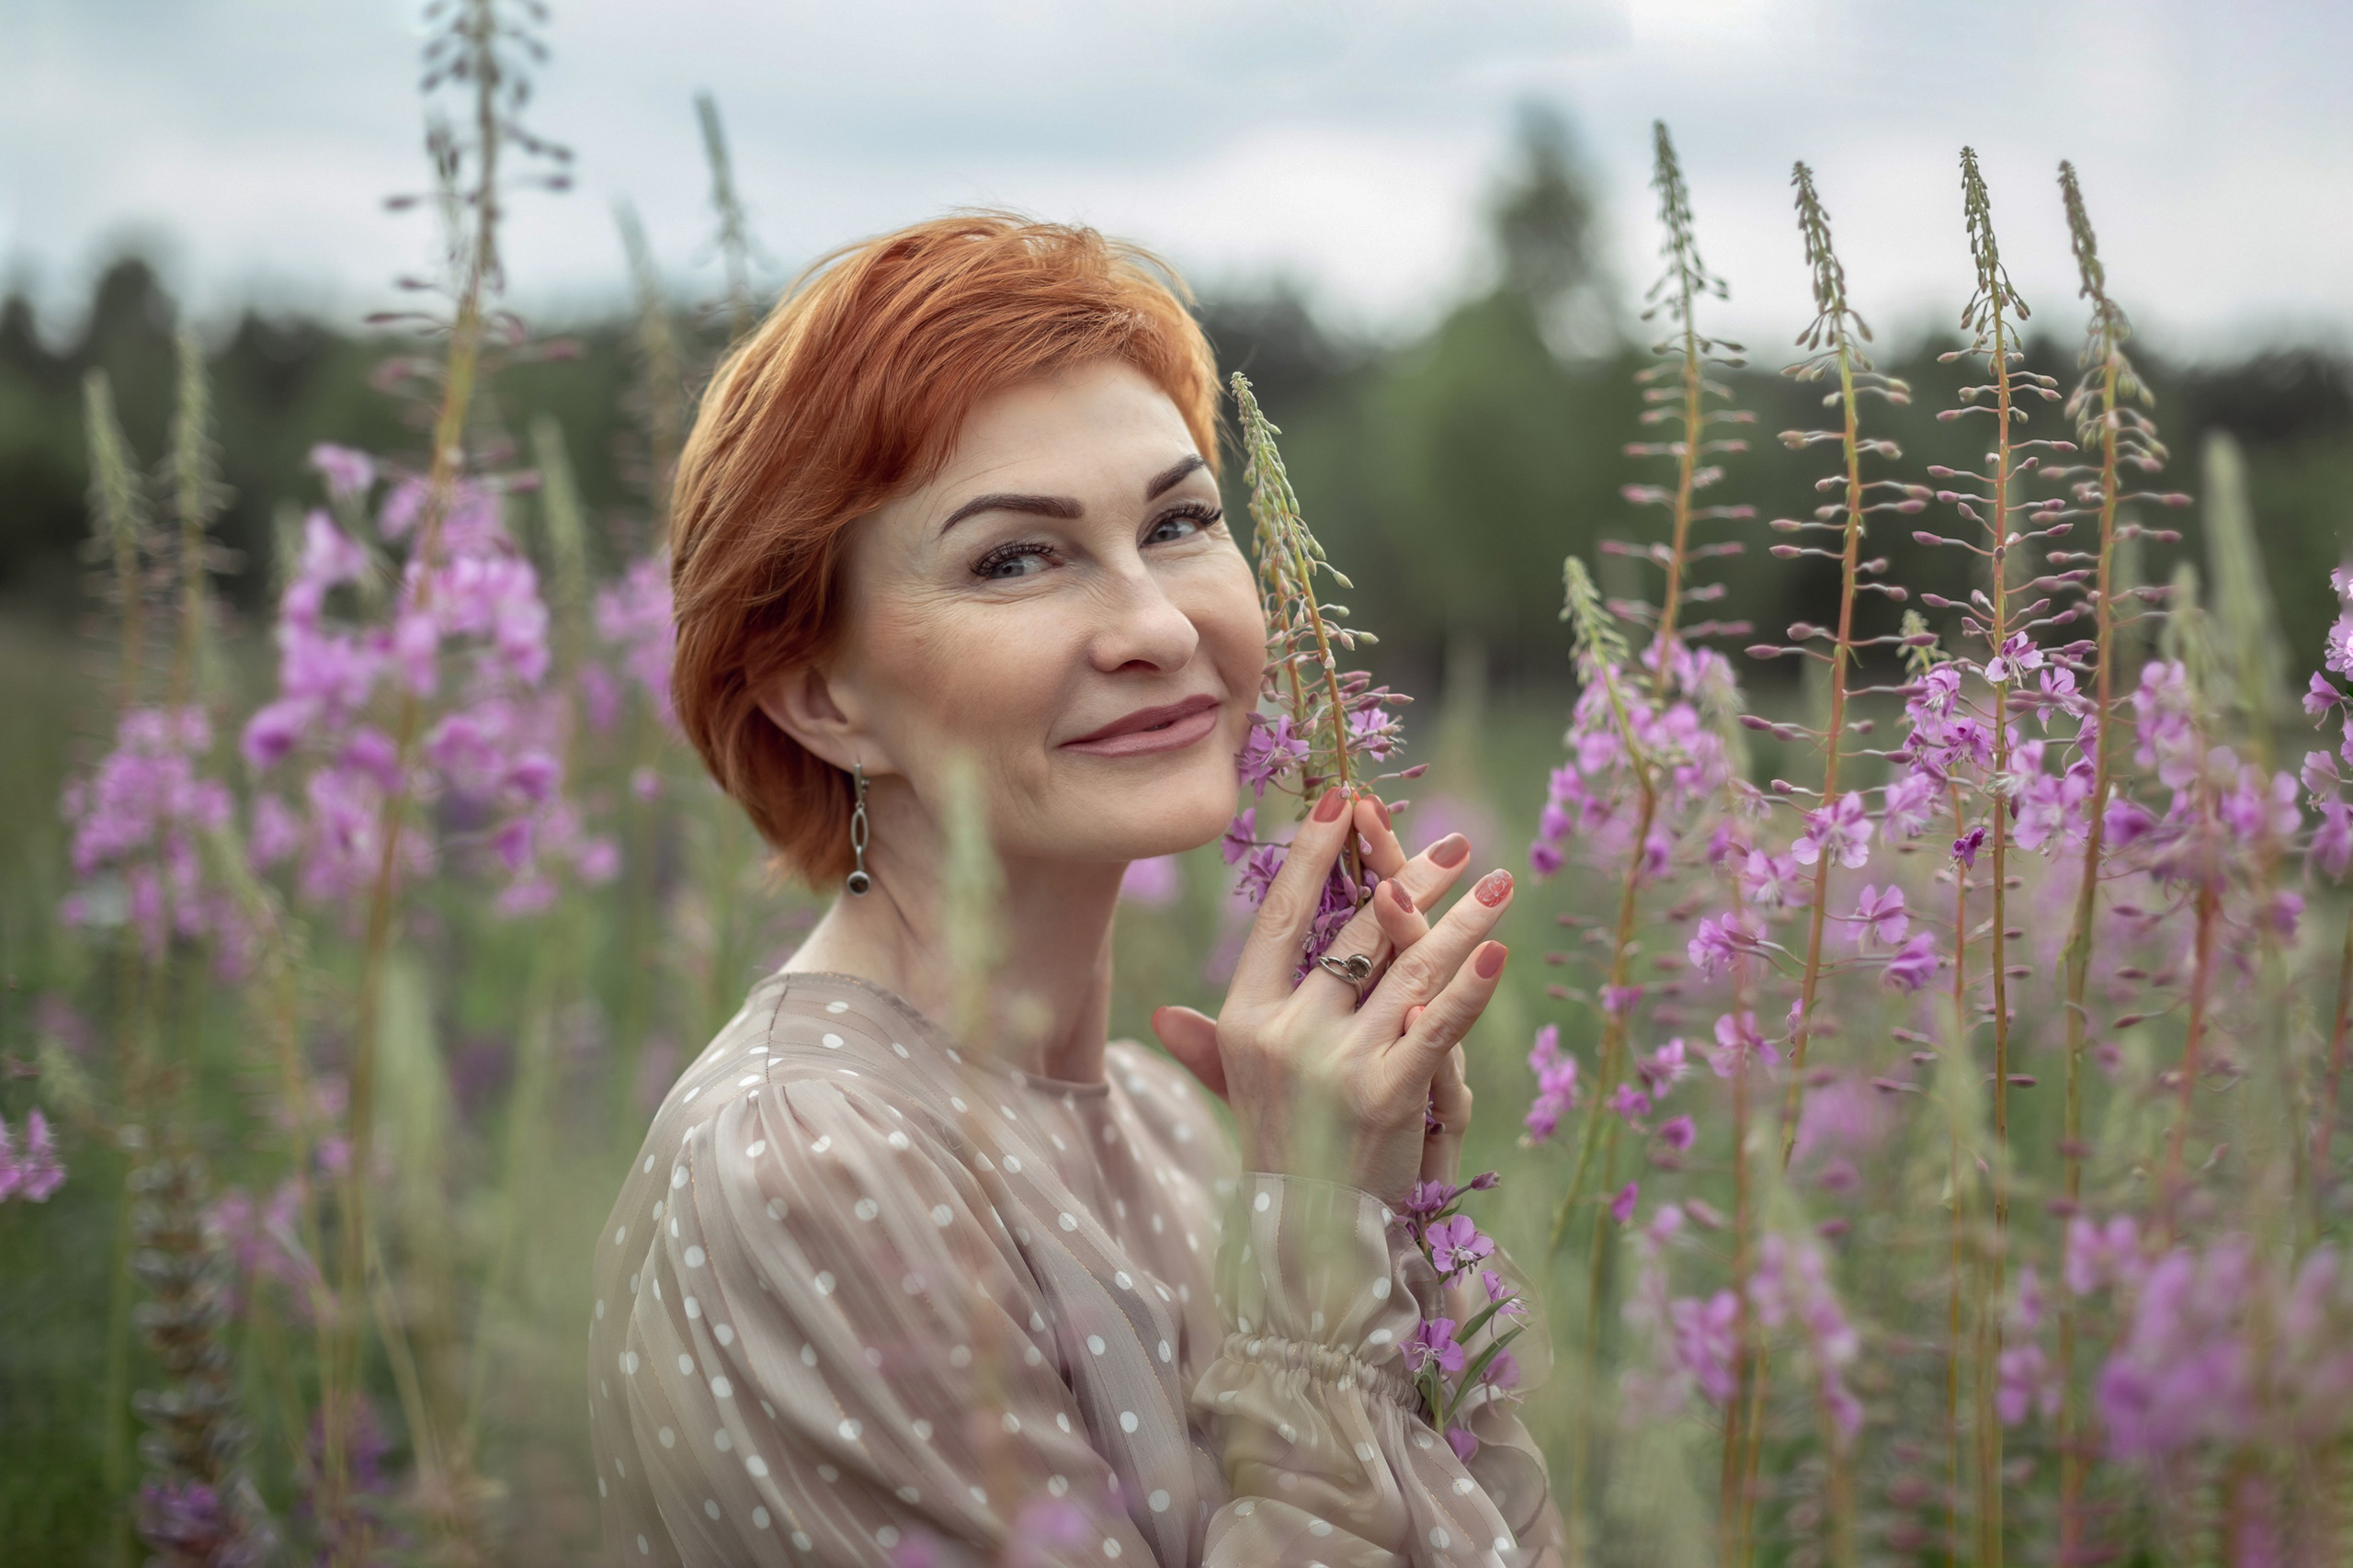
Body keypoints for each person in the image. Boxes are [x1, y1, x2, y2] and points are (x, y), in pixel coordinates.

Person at [588, 212, 1563, 1566]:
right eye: (1015, 558)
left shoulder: (1174, 1124)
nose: (1157, 624)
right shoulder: (804, 1167)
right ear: (821, 697)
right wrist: (1313, 1259)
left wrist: (1389, 1206)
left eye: (1179, 522)